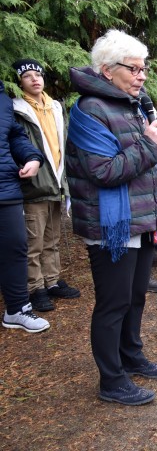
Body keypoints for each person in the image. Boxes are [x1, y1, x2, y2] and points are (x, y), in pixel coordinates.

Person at [66, 29, 157, 405]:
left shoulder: (130, 104)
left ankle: (131, 355)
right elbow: (104, 171)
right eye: (134, 69)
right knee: (113, 303)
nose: (142, 76)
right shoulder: (90, 110)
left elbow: (138, 164)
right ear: (108, 71)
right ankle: (111, 380)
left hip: (140, 217)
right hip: (110, 226)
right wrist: (150, 146)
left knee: (136, 295)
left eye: (144, 69)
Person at [11, 58, 80, 313]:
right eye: (27, 76)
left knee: (52, 237)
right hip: (34, 185)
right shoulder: (17, 110)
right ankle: (35, 287)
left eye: (37, 74)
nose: (34, 79)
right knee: (34, 241)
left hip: (55, 182)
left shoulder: (54, 107)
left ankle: (52, 281)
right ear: (20, 81)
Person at [0, 79, 47, 333]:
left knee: (15, 247)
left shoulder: (3, 99)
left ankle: (17, 309)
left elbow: (15, 135)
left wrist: (32, 157)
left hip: (6, 187)